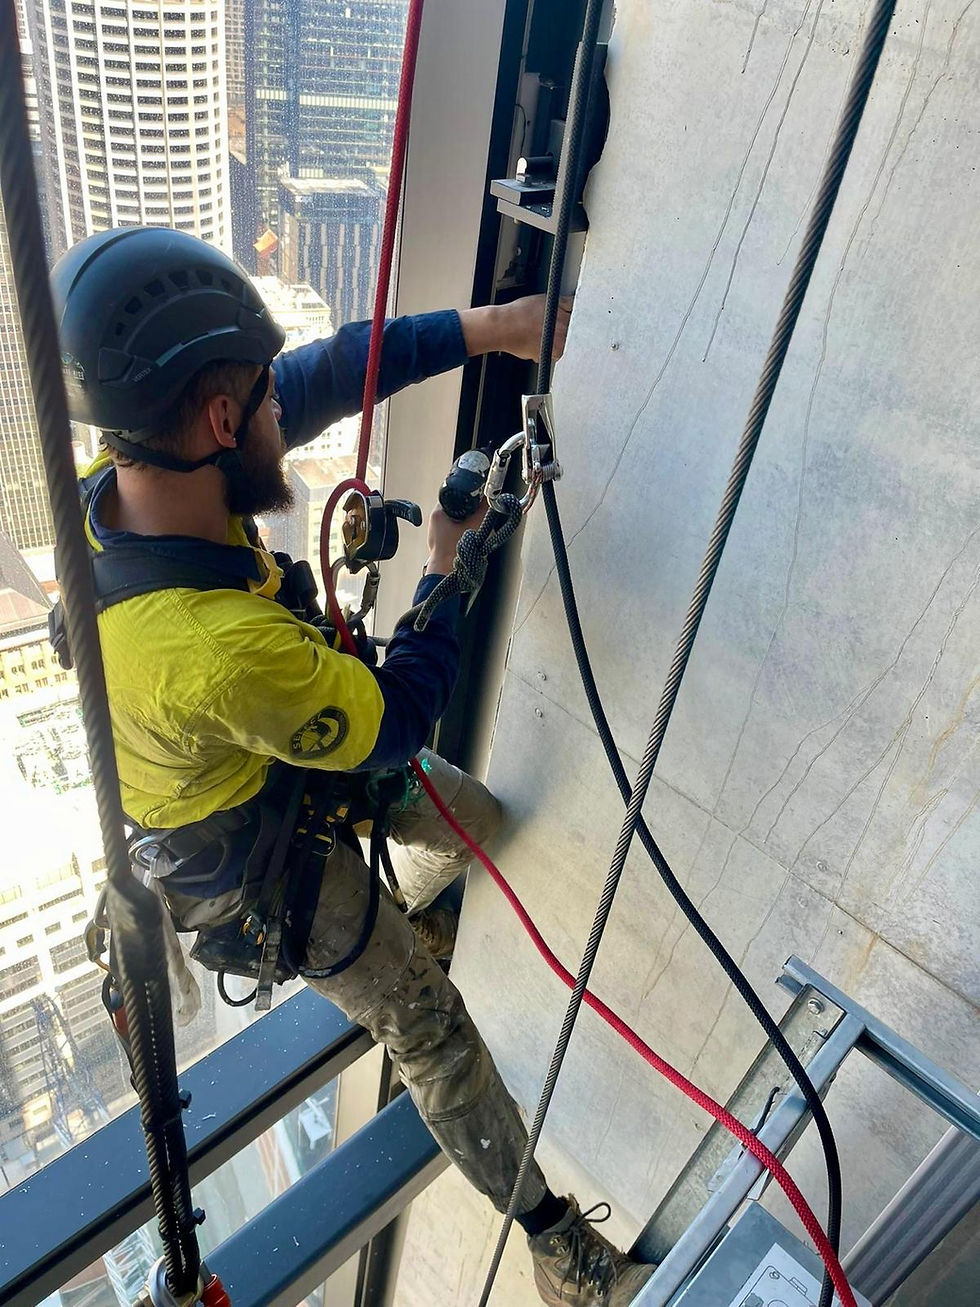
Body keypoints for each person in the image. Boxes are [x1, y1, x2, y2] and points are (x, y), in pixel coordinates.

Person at [50, 226, 653, 1306]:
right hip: (259, 868)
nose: (292, 411)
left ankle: (412, 919)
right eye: (265, 398)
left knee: (480, 820)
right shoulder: (216, 650)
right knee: (427, 1027)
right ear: (220, 420)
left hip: (267, 766)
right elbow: (392, 719)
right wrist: (445, 568)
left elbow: (334, 370)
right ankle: (557, 1244)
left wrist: (494, 332)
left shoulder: (122, 486)